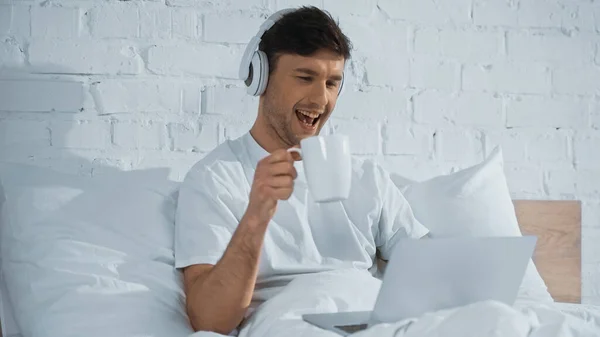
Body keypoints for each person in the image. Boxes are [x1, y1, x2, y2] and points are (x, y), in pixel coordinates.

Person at [174, 6, 430, 335]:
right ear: (260, 77)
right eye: (305, 78)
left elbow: (428, 267)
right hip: (291, 324)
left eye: (332, 83)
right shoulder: (215, 178)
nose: (320, 99)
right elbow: (209, 320)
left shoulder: (367, 177)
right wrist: (257, 214)